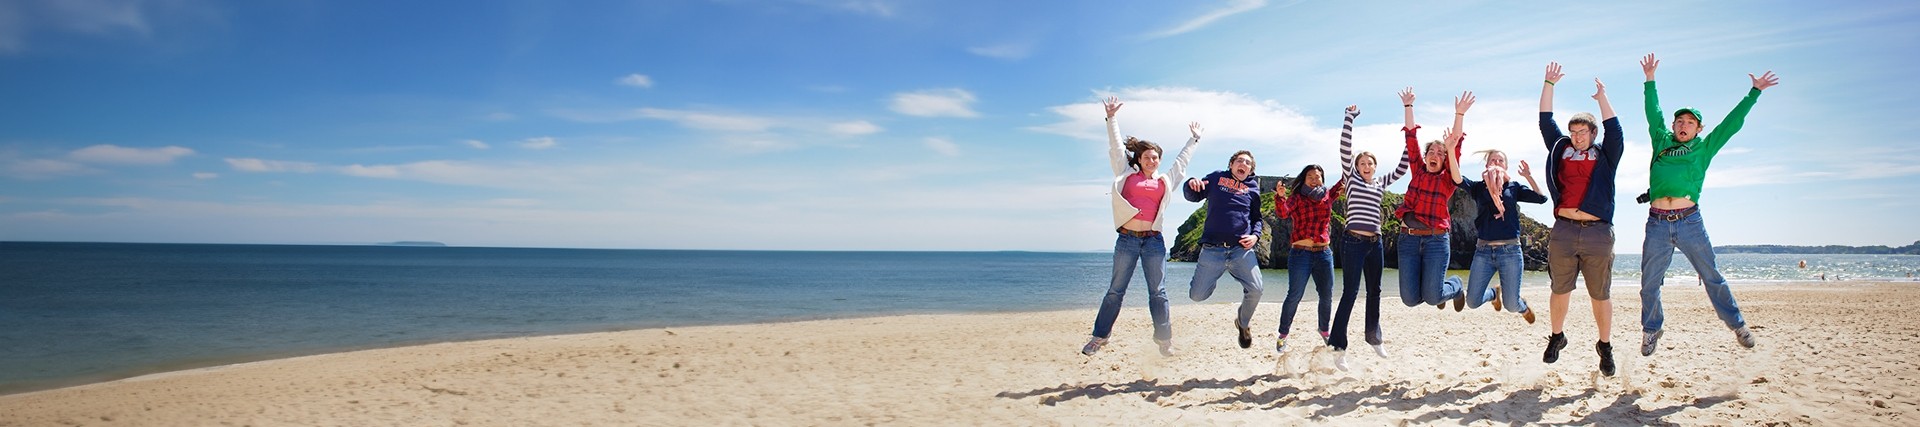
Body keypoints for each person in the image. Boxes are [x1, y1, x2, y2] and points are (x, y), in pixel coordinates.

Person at [1637, 53, 1779, 356]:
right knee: (1649, 282)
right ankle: (1651, 329)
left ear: (1698, 128)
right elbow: (1653, 113)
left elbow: (1731, 124)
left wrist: (1754, 93)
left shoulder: (1704, 148)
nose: (1683, 125)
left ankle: (1737, 324)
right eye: (1679, 121)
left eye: (1690, 122)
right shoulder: (1661, 142)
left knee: (1712, 276)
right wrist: (1650, 80)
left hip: (1689, 222)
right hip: (1658, 222)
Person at [1082, 97, 1203, 356]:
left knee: (1157, 292)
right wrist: (1111, 118)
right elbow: (1116, 148)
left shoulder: (1164, 181)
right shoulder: (1126, 173)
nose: (1152, 161)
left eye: (1156, 158)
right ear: (1139, 158)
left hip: (1153, 241)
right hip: (1127, 239)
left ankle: (1164, 341)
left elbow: (1181, 164)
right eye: (1148, 157)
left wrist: (1193, 140)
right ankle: (1099, 337)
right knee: (1116, 290)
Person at [1538, 62, 1626, 376]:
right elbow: (1545, 121)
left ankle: (1605, 345)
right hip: (1563, 229)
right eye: (1573, 132)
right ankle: (1557, 336)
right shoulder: (1560, 150)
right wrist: (1549, 83)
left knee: (1599, 293)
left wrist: (1602, 97)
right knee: (1559, 289)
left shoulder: (1606, 154)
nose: (1576, 137)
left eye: (1582, 132)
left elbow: (1615, 130)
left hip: (1598, 232)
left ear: (1592, 133)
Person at [1329, 105, 1410, 370]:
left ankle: (1373, 336)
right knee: (1350, 293)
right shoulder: (1351, 179)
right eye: (1361, 163)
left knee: (1374, 290)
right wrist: (1349, 119)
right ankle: (1338, 347)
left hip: (1375, 244)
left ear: (1375, 167)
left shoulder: (1380, 182)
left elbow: (1403, 166)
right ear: (1356, 167)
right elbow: (1344, 149)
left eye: (1369, 163)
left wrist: (1411, 136)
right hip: (1352, 242)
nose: (1365, 166)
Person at [1445, 147, 1547, 333]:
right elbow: (1456, 178)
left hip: (1510, 251)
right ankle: (1493, 293)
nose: (1497, 163)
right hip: (1483, 251)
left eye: (1501, 161)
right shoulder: (1478, 188)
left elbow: (1541, 199)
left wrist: (1529, 176)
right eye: (1493, 160)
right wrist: (1451, 150)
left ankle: (1523, 307)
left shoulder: (1513, 187)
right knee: (1473, 301)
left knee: (1511, 305)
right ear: (1487, 165)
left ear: (1506, 166)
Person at [1393, 88, 1474, 311]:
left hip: (1436, 241)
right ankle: (1435, 290)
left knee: (1432, 297)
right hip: (1408, 240)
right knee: (1410, 300)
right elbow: (1410, 136)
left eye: (1440, 153)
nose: (1435, 155)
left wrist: (1459, 115)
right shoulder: (1417, 169)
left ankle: (1455, 286)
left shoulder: (1448, 178)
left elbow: (1455, 145)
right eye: (1432, 151)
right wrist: (1408, 106)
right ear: (1425, 156)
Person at [1184, 149, 1266, 349]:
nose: (1243, 164)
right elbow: (1193, 195)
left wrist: (1255, 236)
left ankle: (1243, 323)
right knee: (1197, 296)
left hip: (1241, 251)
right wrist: (1190, 183)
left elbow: (1257, 219)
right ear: (1231, 165)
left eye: (1247, 163)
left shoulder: (1253, 189)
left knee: (1256, 289)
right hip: (1213, 250)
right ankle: (1213, 277)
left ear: (1250, 170)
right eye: (1239, 161)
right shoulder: (1216, 178)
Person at [1272, 163, 1339, 354]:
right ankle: (1283, 335)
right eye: (1310, 176)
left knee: (1327, 294)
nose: (1314, 179)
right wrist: (1280, 196)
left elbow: (1344, 181)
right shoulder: (1296, 198)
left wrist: (1348, 162)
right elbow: (1283, 213)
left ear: (1322, 179)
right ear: (1304, 179)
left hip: (1324, 253)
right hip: (1301, 253)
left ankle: (1324, 330)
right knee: (1294, 295)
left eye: (1318, 176)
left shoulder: (1328, 195)